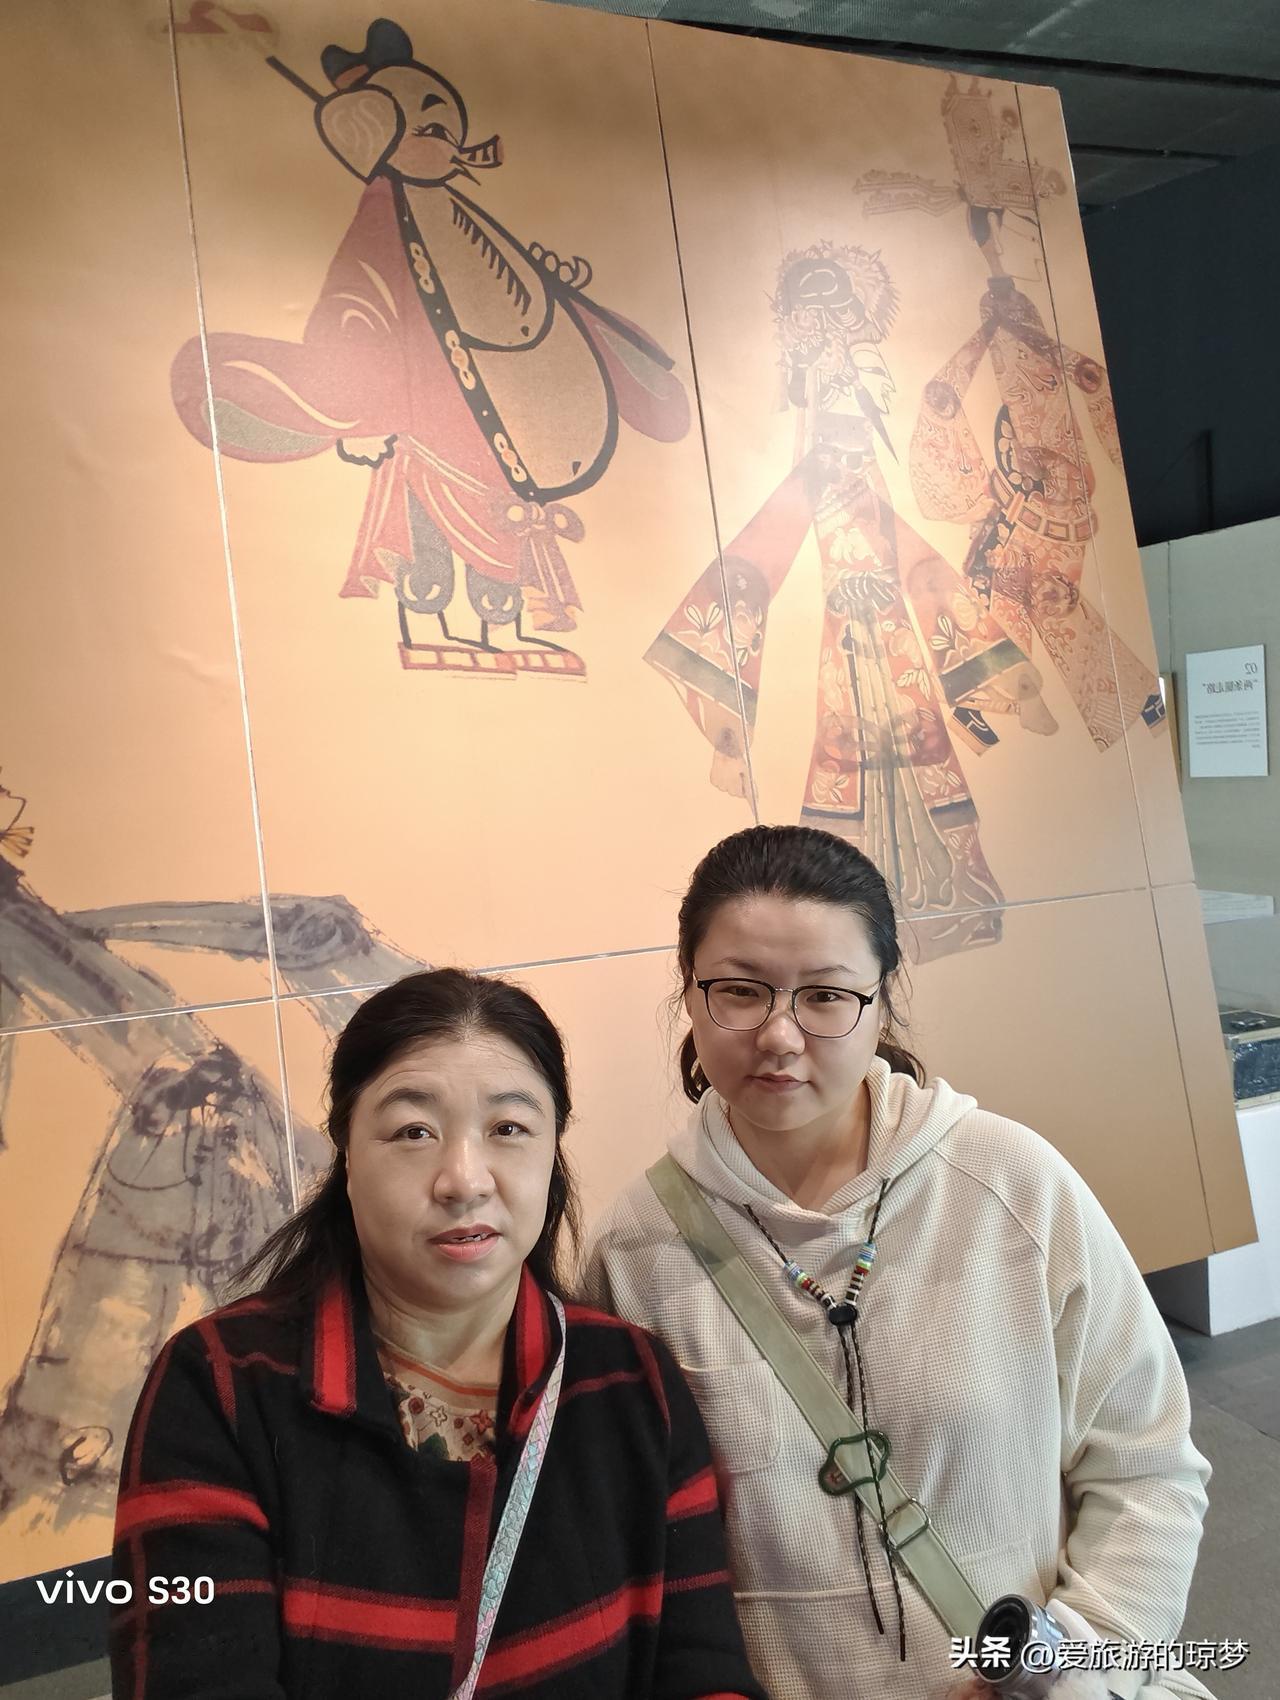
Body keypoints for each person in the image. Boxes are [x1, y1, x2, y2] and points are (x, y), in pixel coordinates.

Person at [584, 825, 1215, 1700]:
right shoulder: (633, 1249)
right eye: (740, 991)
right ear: (689, 993)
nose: (780, 1035)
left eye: (826, 996)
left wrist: (1067, 1672)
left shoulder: (1011, 1185)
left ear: (882, 1002)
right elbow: (636, 1556)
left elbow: (1147, 1464)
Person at [110, 968, 764, 1700]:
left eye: (509, 1129)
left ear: (553, 1151)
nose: (464, 1180)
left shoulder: (633, 1380)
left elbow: (704, 1670)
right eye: (413, 1132)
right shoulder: (220, 1386)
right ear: (346, 1154)